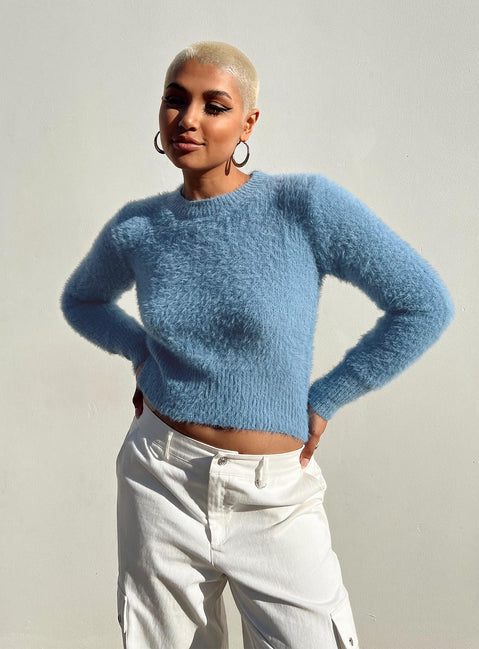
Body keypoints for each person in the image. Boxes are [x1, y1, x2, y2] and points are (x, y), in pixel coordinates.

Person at [61, 41, 454, 649]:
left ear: (247, 123)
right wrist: (141, 352)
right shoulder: (138, 227)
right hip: (160, 478)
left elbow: (424, 303)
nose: (188, 118)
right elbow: (81, 300)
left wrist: (327, 396)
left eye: (214, 105)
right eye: (175, 100)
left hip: (273, 495)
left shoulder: (303, 205)